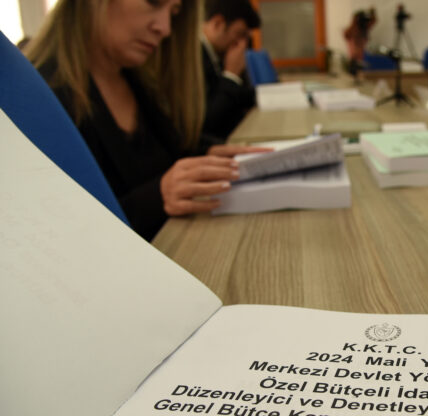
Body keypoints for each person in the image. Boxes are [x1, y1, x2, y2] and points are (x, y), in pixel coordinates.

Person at [26, 0, 265, 241]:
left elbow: (164, 153)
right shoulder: (39, 97)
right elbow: (58, 233)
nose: (165, 28)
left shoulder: (137, 81)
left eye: (173, 13)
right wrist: (158, 196)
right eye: (153, 2)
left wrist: (207, 152)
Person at [201, 0, 261, 140]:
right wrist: (231, 75)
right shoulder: (195, 57)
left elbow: (243, 98)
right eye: (239, 34)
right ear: (217, 24)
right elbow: (209, 122)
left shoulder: (218, 54)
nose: (241, 45)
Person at [344, 8, 376, 77]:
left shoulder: (363, 30)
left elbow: (372, 22)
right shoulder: (353, 31)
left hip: (359, 59)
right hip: (354, 59)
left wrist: (372, 13)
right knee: (355, 72)